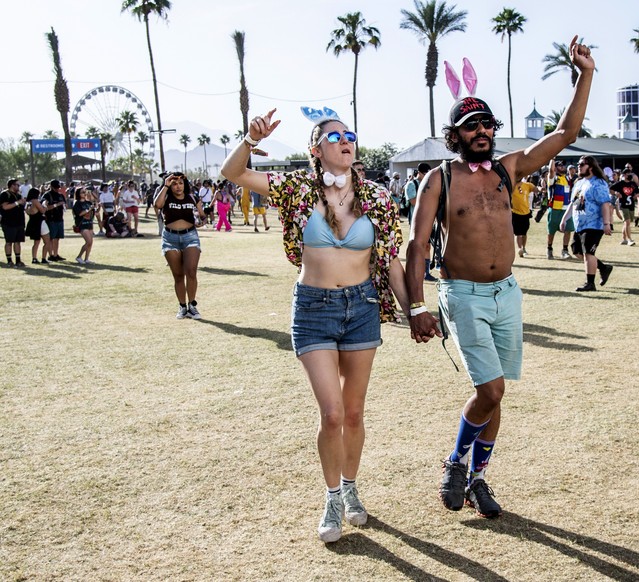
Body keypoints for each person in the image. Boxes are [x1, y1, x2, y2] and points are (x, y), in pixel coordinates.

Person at [406, 36, 595, 519]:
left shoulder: (508, 169)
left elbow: (565, 132)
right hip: (462, 293)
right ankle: (454, 464)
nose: (483, 131)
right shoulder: (440, 179)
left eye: (488, 123)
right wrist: (416, 306)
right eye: (472, 126)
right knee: (489, 391)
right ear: (457, 135)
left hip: (507, 292)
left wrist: (585, 74)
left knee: (497, 391)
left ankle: (478, 479)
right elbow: (417, 244)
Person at [221, 107, 411, 544]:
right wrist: (250, 140)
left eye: (350, 134)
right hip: (313, 309)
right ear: (316, 150)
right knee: (331, 415)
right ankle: (330, 497)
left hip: (361, 306)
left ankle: (351, 488)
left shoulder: (378, 198)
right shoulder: (295, 189)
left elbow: (392, 261)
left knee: (355, 411)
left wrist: (413, 308)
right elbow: (234, 174)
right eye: (334, 136)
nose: (346, 140)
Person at [153, 172, 205, 319]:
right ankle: (182, 306)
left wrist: (202, 220)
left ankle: (192, 306)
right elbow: (157, 205)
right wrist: (165, 185)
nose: (178, 186)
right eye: (174, 183)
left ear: (185, 184)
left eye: (180, 183)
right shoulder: (166, 196)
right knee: (178, 275)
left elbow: (202, 215)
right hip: (170, 238)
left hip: (190, 237)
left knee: (191, 272)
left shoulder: (192, 197)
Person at [561, 155, 614, 292]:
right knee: (577, 251)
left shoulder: (599, 183)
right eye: (578, 164)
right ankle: (603, 267)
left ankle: (590, 283)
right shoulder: (579, 183)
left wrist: (606, 223)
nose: (579, 166)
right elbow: (573, 203)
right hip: (580, 224)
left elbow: (605, 204)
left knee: (588, 253)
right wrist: (564, 219)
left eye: (582, 164)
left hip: (594, 224)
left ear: (591, 167)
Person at [545, 158, 573, 259]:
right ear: (555, 168)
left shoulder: (567, 179)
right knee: (551, 231)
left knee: (568, 229)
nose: (563, 167)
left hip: (566, 208)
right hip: (555, 208)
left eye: (563, 165)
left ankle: (565, 250)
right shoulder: (553, 178)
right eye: (560, 165)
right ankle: (549, 249)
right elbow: (551, 171)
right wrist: (552, 158)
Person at [0, 179, 27, 267]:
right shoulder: (5, 194)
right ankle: (9, 261)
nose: (19, 187)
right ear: (12, 185)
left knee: (17, 241)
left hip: (19, 222)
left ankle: (18, 260)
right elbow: (5, 207)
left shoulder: (18, 195)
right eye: (17, 185)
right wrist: (17, 203)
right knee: (9, 242)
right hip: (8, 222)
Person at [610, 169, 639, 245]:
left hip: (631, 205)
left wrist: (636, 195)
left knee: (627, 223)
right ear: (625, 175)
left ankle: (624, 239)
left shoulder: (633, 184)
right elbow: (610, 189)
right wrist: (616, 194)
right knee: (627, 222)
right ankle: (630, 239)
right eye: (628, 173)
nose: (630, 175)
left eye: (631, 173)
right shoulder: (620, 183)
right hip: (623, 205)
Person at [41, 180, 67, 262]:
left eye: (58, 187)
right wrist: (57, 204)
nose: (57, 189)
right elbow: (46, 207)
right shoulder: (47, 195)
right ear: (51, 187)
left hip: (59, 218)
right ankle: (50, 255)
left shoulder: (60, 195)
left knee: (57, 238)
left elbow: (64, 204)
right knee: (51, 238)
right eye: (55, 188)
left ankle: (56, 254)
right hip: (51, 219)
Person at [511, 174, 536, 257]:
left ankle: (523, 248)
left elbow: (535, 188)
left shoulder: (527, 185)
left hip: (526, 213)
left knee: (524, 232)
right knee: (518, 233)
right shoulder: (512, 186)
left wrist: (540, 189)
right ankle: (520, 249)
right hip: (515, 212)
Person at [24, 186, 50, 263]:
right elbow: (42, 211)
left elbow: (27, 211)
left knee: (36, 242)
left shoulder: (27, 202)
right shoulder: (35, 201)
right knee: (47, 241)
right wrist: (45, 205)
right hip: (40, 222)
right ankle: (43, 258)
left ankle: (34, 258)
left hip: (32, 222)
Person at [72, 188, 96, 264]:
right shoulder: (77, 203)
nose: (84, 193)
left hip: (89, 223)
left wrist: (96, 206)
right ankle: (79, 257)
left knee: (91, 242)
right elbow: (80, 213)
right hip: (82, 224)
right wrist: (89, 209)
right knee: (88, 241)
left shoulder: (88, 202)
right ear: (78, 194)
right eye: (82, 192)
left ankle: (86, 259)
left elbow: (93, 213)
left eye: (85, 192)